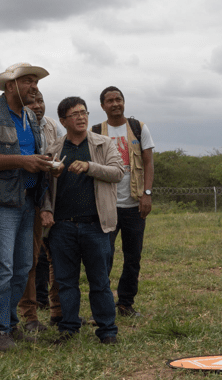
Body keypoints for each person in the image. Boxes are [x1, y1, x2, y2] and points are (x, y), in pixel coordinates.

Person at [0, 62, 60, 352]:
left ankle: (9, 324)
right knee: (2, 268)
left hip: (27, 200)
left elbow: (30, 154)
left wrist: (45, 164)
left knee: (23, 267)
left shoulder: (31, 117)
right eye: (27, 82)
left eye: (36, 82)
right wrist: (23, 162)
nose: (34, 87)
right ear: (10, 86)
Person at [40, 97, 124, 344]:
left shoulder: (103, 143)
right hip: (62, 226)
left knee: (100, 281)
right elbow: (44, 187)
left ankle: (107, 331)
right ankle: (68, 328)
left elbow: (117, 172)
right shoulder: (55, 148)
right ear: (64, 121)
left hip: (96, 225)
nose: (81, 117)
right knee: (66, 282)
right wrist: (46, 208)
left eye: (83, 112)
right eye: (74, 114)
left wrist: (89, 166)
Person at [93, 86, 155, 317]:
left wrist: (146, 194)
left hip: (133, 204)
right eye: (110, 100)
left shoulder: (139, 128)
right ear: (102, 106)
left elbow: (148, 163)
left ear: (124, 102)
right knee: (102, 257)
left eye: (118, 99)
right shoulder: (96, 131)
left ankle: (126, 303)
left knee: (133, 257)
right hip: (106, 206)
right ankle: (103, 305)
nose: (115, 103)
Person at [19, 90, 63, 332]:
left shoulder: (52, 127)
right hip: (27, 198)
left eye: (41, 101)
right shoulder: (19, 126)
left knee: (54, 257)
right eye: (32, 101)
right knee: (29, 260)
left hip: (50, 198)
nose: (37, 106)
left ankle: (57, 312)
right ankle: (29, 315)